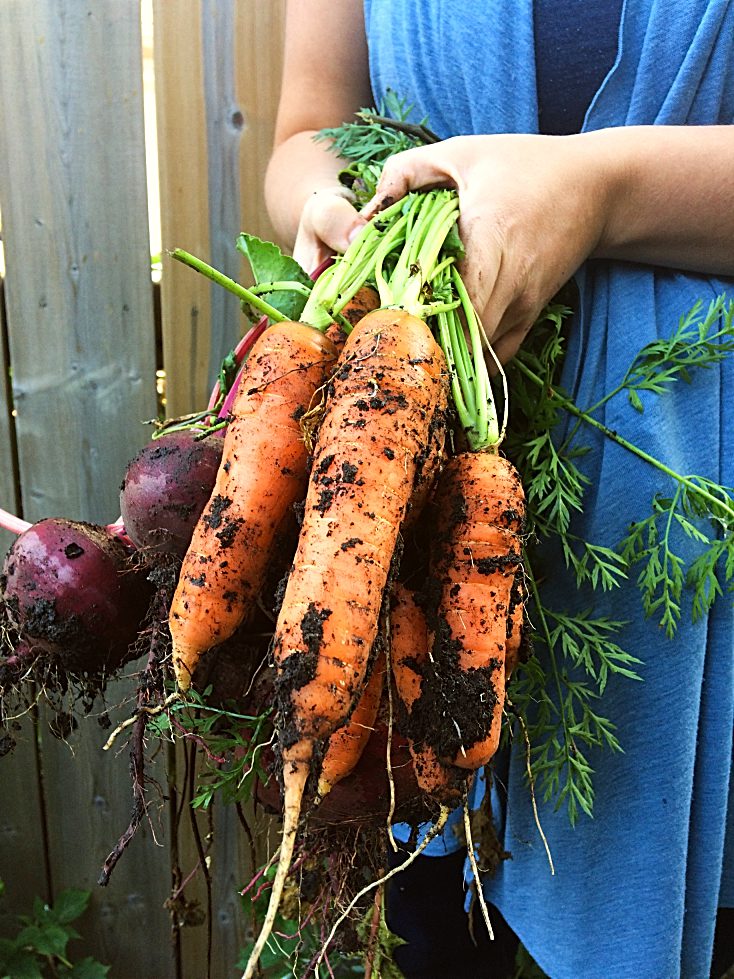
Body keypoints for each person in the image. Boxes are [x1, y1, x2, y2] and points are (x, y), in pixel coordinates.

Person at [263, 2, 734, 976]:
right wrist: (320, 199)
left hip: (695, 538)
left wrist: (600, 192)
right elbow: (305, 132)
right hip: (410, 537)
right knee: (428, 901)